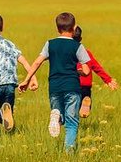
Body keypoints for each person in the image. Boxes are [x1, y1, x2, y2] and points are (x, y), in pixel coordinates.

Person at [20, 12, 92, 152]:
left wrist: (26, 80)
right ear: (73, 28)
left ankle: (57, 116)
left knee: (60, 114)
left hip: (55, 87)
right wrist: (78, 72)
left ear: (57, 28)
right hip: (72, 87)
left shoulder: (50, 44)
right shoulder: (77, 46)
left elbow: (37, 62)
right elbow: (87, 70)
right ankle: (68, 152)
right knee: (72, 122)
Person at [72, 25, 118, 118]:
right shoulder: (86, 52)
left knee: (71, 105)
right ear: (80, 38)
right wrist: (108, 80)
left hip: (73, 82)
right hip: (86, 84)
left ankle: (76, 108)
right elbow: (97, 67)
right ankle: (85, 102)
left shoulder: (67, 52)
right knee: (85, 97)